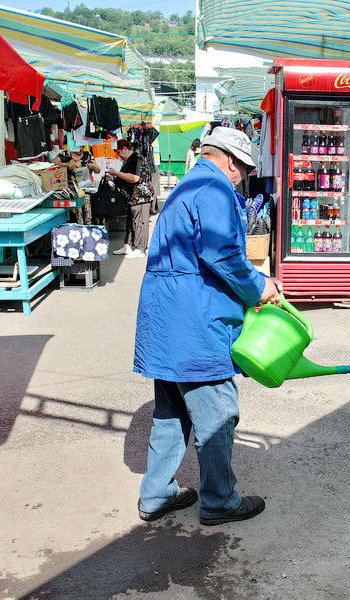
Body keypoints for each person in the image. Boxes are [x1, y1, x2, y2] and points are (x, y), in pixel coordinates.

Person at [133, 127, 282, 526]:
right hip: (195, 324)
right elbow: (223, 255)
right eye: (244, 168)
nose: (243, 176)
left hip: (164, 322)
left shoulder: (186, 185)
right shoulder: (215, 191)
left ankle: (156, 494)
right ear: (231, 161)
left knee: (171, 413)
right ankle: (220, 501)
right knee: (217, 414)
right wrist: (259, 287)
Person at [108, 139, 149, 259]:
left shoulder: (136, 159)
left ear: (125, 149)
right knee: (131, 222)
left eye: (119, 152)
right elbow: (126, 178)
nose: (118, 155)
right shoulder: (128, 160)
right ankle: (128, 245)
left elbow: (135, 178)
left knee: (139, 222)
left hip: (140, 197)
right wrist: (114, 178)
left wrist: (116, 174)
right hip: (132, 197)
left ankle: (140, 248)